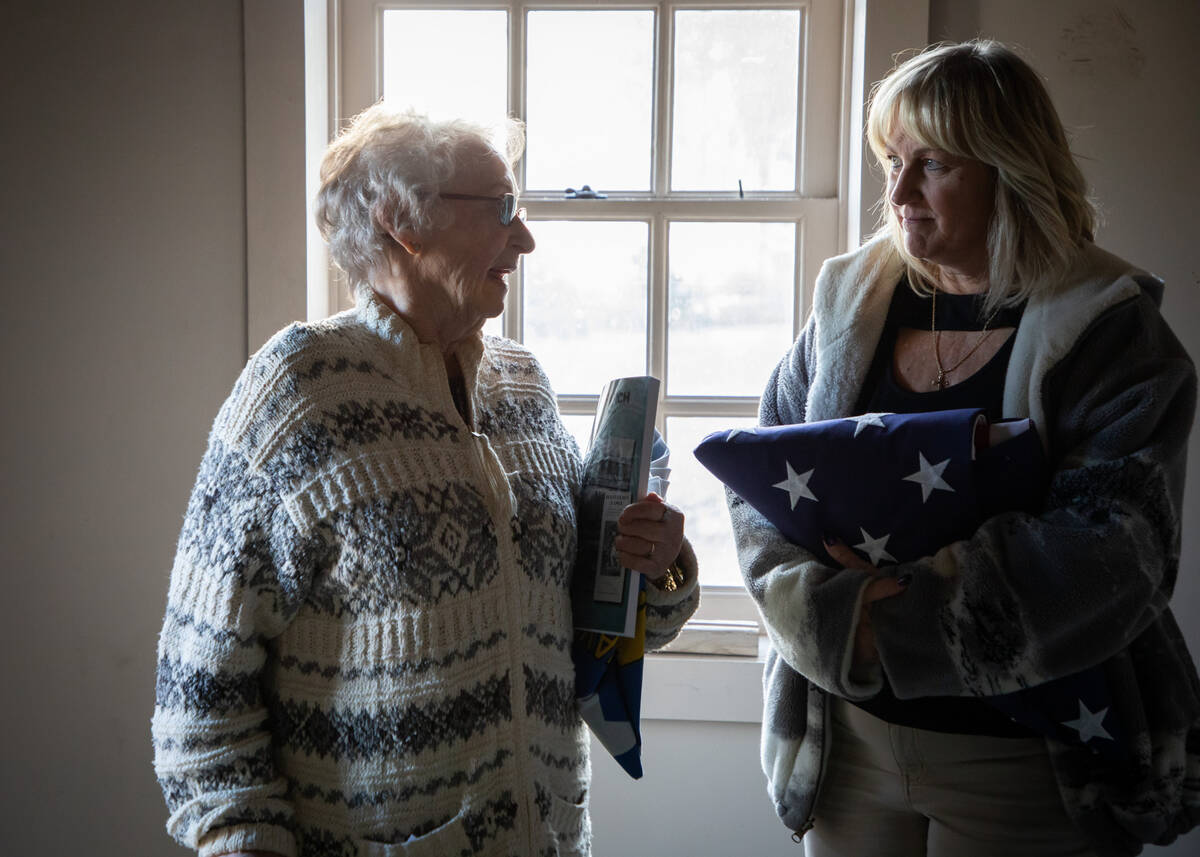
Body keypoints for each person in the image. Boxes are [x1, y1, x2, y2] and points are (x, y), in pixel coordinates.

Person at [152, 104, 699, 857]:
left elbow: (587, 630)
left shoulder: (524, 384)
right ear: (400, 220)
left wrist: (656, 565)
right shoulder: (295, 392)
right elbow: (198, 699)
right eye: (503, 210)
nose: (526, 238)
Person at [728, 40, 1198, 857]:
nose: (899, 192)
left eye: (932, 164)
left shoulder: (1111, 331)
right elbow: (758, 491)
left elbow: (1118, 552)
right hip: (849, 749)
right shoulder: (848, 306)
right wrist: (833, 624)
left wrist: (892, 625)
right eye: (891, 160)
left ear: (1010, 169)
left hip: (1032, 762)